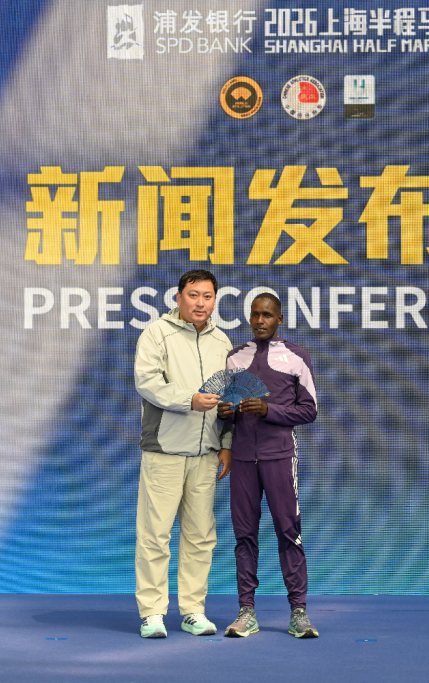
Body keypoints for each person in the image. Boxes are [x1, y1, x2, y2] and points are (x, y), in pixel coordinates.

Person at [133, 269, 233, 639]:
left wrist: (226, 444)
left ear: (215, 301)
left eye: (207, 296)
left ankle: (193, 611)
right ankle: (152, 613)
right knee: (154, 535)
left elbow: (229, 400)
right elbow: (147, 382)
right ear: (178, 298)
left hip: (206, 453)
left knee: (200, 536)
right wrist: (189, 400)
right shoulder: (157, 333)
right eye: (193, 295)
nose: (200, 303)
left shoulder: (222, 342)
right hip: (165, 450)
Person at [218, 292, 320, 638]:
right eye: (255, 315)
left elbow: (309, 410)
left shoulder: (296, 357)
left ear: (279, 319)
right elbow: (227, 410)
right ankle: (246, 612)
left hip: (280, 457)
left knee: (289, 532)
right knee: (244, 536)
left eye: (267, 315)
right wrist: (225, 413)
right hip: (243, 459)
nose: (260, 321)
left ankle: (299, 612)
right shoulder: (235, 357)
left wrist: (268, 410)